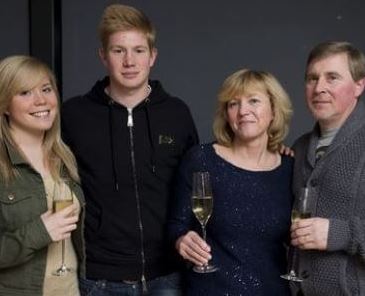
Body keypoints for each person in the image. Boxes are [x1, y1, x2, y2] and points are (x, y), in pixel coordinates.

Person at [61, 4, 198, 295]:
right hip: (100, 278)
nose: (129, 61)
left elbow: (200, 178)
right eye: (118, 50)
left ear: (153, 56)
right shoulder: (75, 115)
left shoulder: (176, 113)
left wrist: (276, 152)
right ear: (103, 56)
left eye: (138, 50)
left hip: (168, 276)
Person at [169, 69, 293, 295]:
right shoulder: (201, 159)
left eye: (253, 101)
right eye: (233, 104)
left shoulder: (289, 168)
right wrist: (181, 241)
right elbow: (176, 225)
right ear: (226, 113)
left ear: (274, 110)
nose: (243, 111)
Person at [0, 55, 85, 295]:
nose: (41, 100)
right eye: (25, 92)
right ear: (5, 105)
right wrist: (40, 231)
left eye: (46, 89)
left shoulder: (63, 158)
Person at [291, 41, 365, 296]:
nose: (319, 88)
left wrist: (341, 233)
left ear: (359, 85)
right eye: (312, 78)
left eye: (332, 77)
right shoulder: (300, 148)